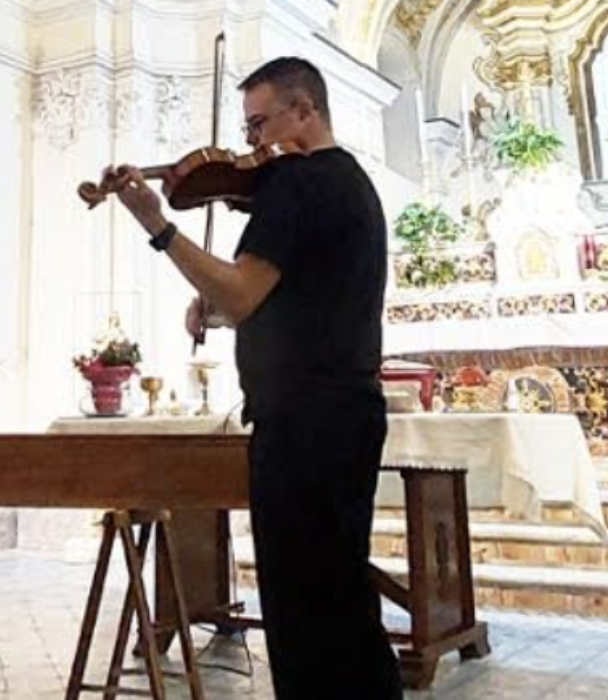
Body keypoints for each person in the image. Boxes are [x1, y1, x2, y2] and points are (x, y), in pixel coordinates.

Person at [104, 57, 403, 698]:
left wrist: (158, 227)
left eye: (260, 123)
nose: (251, 145)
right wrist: (218, 307)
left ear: (305, 111)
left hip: (305, 424)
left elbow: (241, 294)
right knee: (340, 599)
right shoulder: (348, 182)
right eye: (247, 128)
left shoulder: (298, 184)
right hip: (343, 414)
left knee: (302, 612)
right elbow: (300, 304)